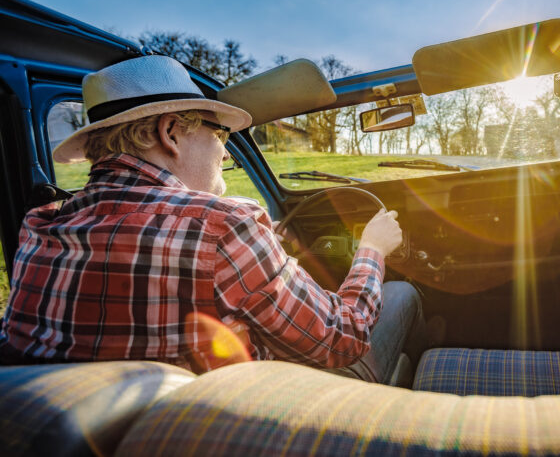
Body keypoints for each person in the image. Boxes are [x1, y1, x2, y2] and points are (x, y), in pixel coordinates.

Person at [0, 55, 426, 384]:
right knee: (401, 294)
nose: (225, 153)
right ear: (170, 133)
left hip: (130, 433)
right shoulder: (223, 226)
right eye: (219, 135)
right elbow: (342, 339)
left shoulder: (41, 227)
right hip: (252, 421)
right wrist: (371, 249)